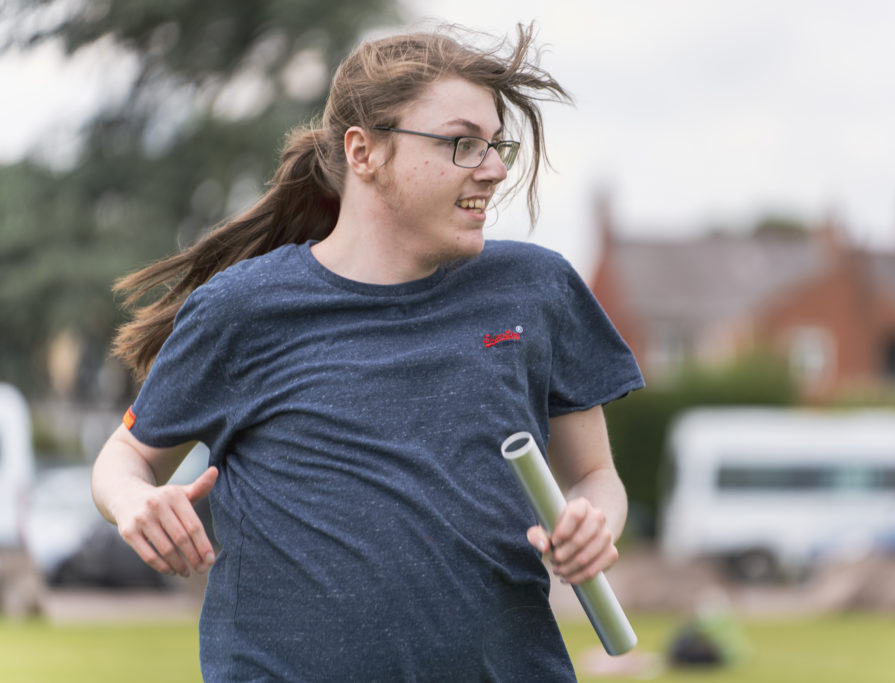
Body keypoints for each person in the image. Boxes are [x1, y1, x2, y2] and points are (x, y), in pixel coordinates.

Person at [92, 22, 644, 681]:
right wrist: (134, 501)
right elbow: (123, 458)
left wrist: (595, 522)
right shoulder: (244, 308)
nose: (494, 169)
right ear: (363, 151)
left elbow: (596, 477)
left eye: (498, 145)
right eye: (463, 143)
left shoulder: (537, 289)